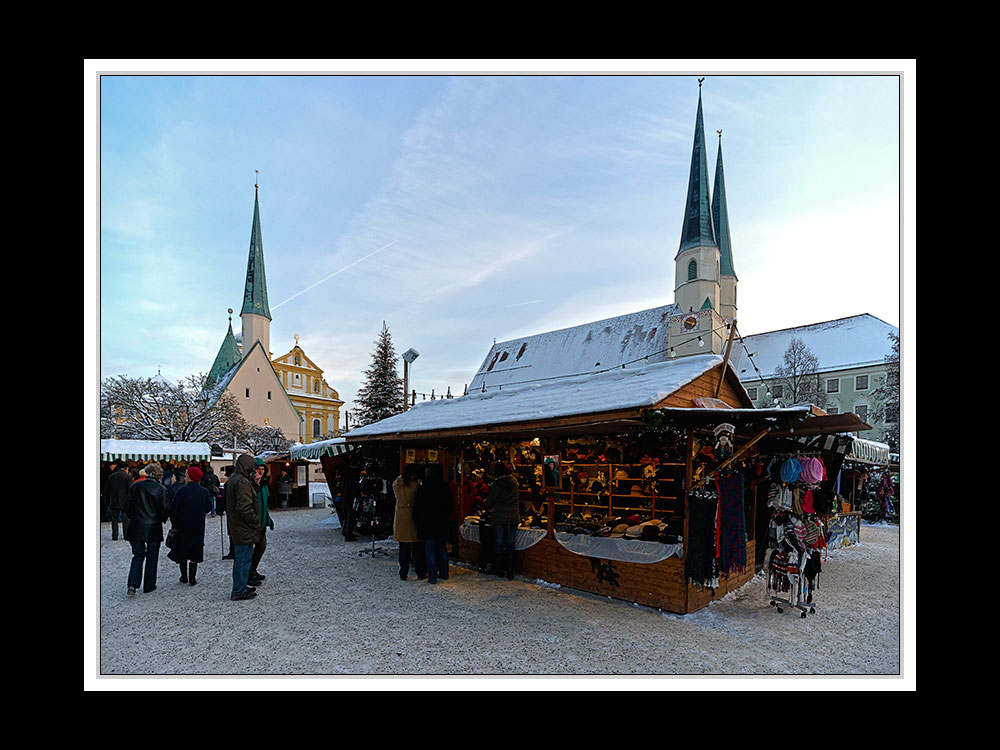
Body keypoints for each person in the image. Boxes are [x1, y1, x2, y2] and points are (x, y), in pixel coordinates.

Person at [123, 462, 171, 596]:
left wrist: (133, 516)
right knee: (152, 556)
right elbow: (165, 509)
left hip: (136, 525)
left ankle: (132, 583)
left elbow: (127, 507)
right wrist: (161, 519)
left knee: (137, 555)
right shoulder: (161, 489)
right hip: (153, 526)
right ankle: (149, 585)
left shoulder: (135, 486)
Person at [167, 466, 213, 586]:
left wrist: (175, 522)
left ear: (190, 477)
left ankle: (184, 576)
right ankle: (193, 578)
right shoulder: (204, 492)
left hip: (183, 525)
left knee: (183, 549)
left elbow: (173, 508)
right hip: (198, 525)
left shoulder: (182, 491)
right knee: (195, 550)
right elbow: (208, 507)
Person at [225, 453, 260, 600]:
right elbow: (244, 507)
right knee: (243, 560)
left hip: (237, 526)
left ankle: (241, 586)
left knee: (242, 559)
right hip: (243, 527)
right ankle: (238, 590)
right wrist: (254, 522)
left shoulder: (233, 480)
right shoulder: (242, 482)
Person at [412, 463, 453, 584]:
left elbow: (417, 507)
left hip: (427, 524)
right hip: (442, 523)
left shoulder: (423, 488)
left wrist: (416, 519)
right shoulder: (444, 487)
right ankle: (444, 573)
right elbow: (450, 505)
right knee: (442, 549)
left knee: (430, 551)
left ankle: (432, 577)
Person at [484, 462, 520, 580]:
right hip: (513, 516)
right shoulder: (514, 483)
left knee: (499, 542)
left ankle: (499, 569)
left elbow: (490, 501)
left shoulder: (497, 485)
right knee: (510, 543)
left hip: (499, 516)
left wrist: (485, 504)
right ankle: (510, 572)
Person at [392, 464, 426, 581]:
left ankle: (403, 573)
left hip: (401, 517)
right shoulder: (416, 485)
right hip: (413, 516)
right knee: (418, 547)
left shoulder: (397, 484)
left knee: (403, 547)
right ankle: (420, 572)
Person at [249, 458, 274, 586]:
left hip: (262, 522)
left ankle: (253, 569)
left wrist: (268, 519)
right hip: (253, 522)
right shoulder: (250, 484)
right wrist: (255, 484)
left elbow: (265, 504)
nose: (260, 472)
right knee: (252, 548)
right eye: (258, 469)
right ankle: (249, 572)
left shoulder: (264, 484)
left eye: (263, 469)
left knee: (261, 546)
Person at [105, 463, 132, 541]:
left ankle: (115, 535)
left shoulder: (111, 476)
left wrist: (107, 501)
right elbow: (130, 490)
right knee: (125, 519)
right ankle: (126, 535)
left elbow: (107, 490)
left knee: (114, 519)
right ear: (126, 468)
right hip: (125, 501)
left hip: (113, 501)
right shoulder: (127, 477)